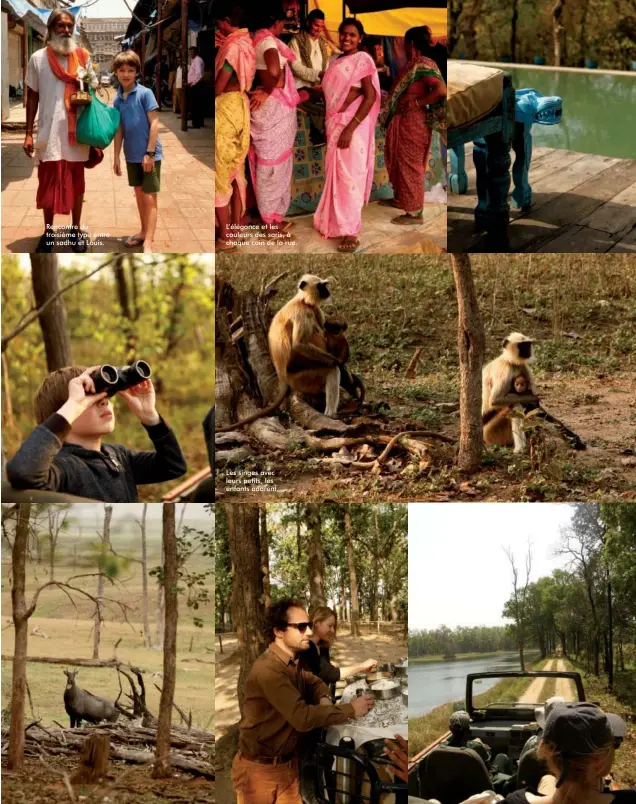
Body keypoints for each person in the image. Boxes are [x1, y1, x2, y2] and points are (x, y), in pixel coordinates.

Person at [232, 598, 375, 803]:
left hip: (288, 766)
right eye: (300, 627)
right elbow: (302, 717)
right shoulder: (268, 671)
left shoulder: (294, 661)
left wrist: (325, 698)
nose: (308, 631)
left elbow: (314, 681)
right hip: (259, 773)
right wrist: (350, 709)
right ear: (279, 631)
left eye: (308, 625)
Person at [6, 366, 186, 502]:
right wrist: (74, 404)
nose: (104, 403)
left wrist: (150, 416)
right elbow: (23, 473)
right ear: (68, 411)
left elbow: (173, 466)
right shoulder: (64, 466)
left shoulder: (118, 456)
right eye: (90, 399)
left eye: (106, 397)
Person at [23, 9, 98, 253]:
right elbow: (32, 96)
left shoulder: (83, 56)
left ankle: (76, 233)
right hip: (48, 133)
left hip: (77, 133)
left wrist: (85, 82)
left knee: (78, 184)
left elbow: (93, 87)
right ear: (51, 29)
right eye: (60, 26)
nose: (66, 30)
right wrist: (28, 133)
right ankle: (48, 233)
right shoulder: (37, 58)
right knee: (47, 183)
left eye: (69, 26)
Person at [313, 19, 380, 253]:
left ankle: (351, 232)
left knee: (351, 177)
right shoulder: (335, 60)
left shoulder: (363, 60)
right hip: (334, 123)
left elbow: (370, 97)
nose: (346, 38)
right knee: (338, 177)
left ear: (360, 37)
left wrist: (350, 128)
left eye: (352, 35)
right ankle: (336, 223)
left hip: (353, 126)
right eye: (343, 34)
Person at [501, 702, 633, 804]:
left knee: (547, 780)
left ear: (543, 751)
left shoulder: (513, 801)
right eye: (615, 744)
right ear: (599, 762)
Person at [382, 25, 446, 226]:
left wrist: (415, 103)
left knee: (411, 165)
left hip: (414, 120)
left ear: (410, 43)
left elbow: (441, 90)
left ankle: (415, 213)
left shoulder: (423, 64)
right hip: (405, 121)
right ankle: (403, 199)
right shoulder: (415, 64)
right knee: (401, 161)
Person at [249, 5, 300, 234]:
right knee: (273, 167)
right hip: (273, 109)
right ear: (276, 22)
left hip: (268, 109)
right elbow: (272, 71)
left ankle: (270, 216)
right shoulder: (268, 43)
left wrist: (268, 87)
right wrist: (273, 86)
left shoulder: (256, 40)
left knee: (270, 164)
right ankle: (270, 221)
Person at [214, 3, 256, 252]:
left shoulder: (232, 47)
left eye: (220, 23)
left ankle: (225, 237)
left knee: (220, 175)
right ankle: (236, 228)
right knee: (237, 171)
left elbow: (220, 84)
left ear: (227, 20)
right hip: (242, 106)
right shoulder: (247, 43)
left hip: (227, 108)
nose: (218, 27)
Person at [113, 50, 163, 254]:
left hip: (149, 155)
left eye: (130, 70)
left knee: (150, 196)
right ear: (115, 72)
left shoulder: (145, 93)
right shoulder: (117, 99)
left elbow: (155, 123)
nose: (126, 74)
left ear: (136, 73)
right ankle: (143, 232)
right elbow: (119, 130)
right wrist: (115, 156)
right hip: (131, 155)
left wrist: (149, 153)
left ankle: (149, 242)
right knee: (139, 194)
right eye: (122, 70)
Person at [299, 606, 378, 688]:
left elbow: (328, 670)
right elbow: (330, 674)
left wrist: (361, 667)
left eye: (333, 626)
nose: (333, 630)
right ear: (317, 623)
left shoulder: (323, 647)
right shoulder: (306, 647)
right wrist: (362, 666)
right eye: (330, 626)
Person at [289, 10, 332, 145]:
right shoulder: (295, 41)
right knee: (318, 106)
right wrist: (318, 75)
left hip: (319, 86)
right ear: (308, 23)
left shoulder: (323, 44)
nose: (319, 29)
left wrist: (323, 81)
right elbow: (295, 67)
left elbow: (327, 67)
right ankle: (318, 135)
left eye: (321, 26)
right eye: (316, 25)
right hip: (301, 87)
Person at [188, 46, 206, 128]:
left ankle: (196, 124)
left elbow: (199, 74)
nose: (191, 54)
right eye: (190, 52)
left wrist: (193, 83)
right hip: (196, 84)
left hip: (197, 85)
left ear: (196, 52)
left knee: (195, 105)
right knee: (198, 104)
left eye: (192, 52)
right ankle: (199, 123)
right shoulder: (194, 60)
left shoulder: (197, 60)